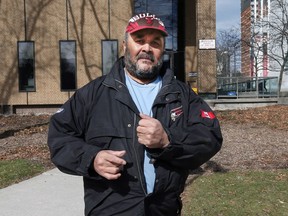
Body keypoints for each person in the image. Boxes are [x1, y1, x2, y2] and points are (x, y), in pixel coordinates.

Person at [48, 12, 223, 216]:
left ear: (162, 50)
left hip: (163, 210)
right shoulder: (93, 94)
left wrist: (168, 141)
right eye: (139, 40)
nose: (146, 48)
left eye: (155, 42)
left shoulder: (181, 94)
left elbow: (210, 137)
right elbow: (60, 137)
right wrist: (92, 158)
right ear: (124, 46)